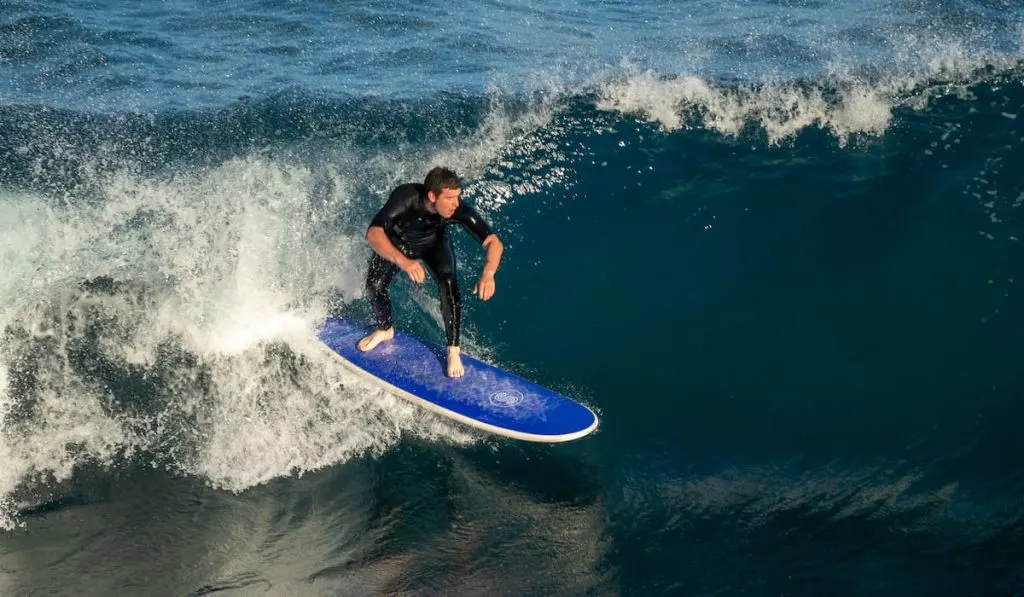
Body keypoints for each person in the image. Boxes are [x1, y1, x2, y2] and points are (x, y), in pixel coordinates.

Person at [358, 166, 504, 378]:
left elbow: (493, 242)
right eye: (450, 198)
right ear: (432, 196)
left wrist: (489, 273)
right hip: (398, 242)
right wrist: (404, 262)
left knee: (447, 282)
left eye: (458, 197)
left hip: (433, 243)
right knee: (375, 286)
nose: (456, 203)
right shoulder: (405, 197)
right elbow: (373, 233)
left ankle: (453, 350)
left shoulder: (457, 209)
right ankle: (384, 329)